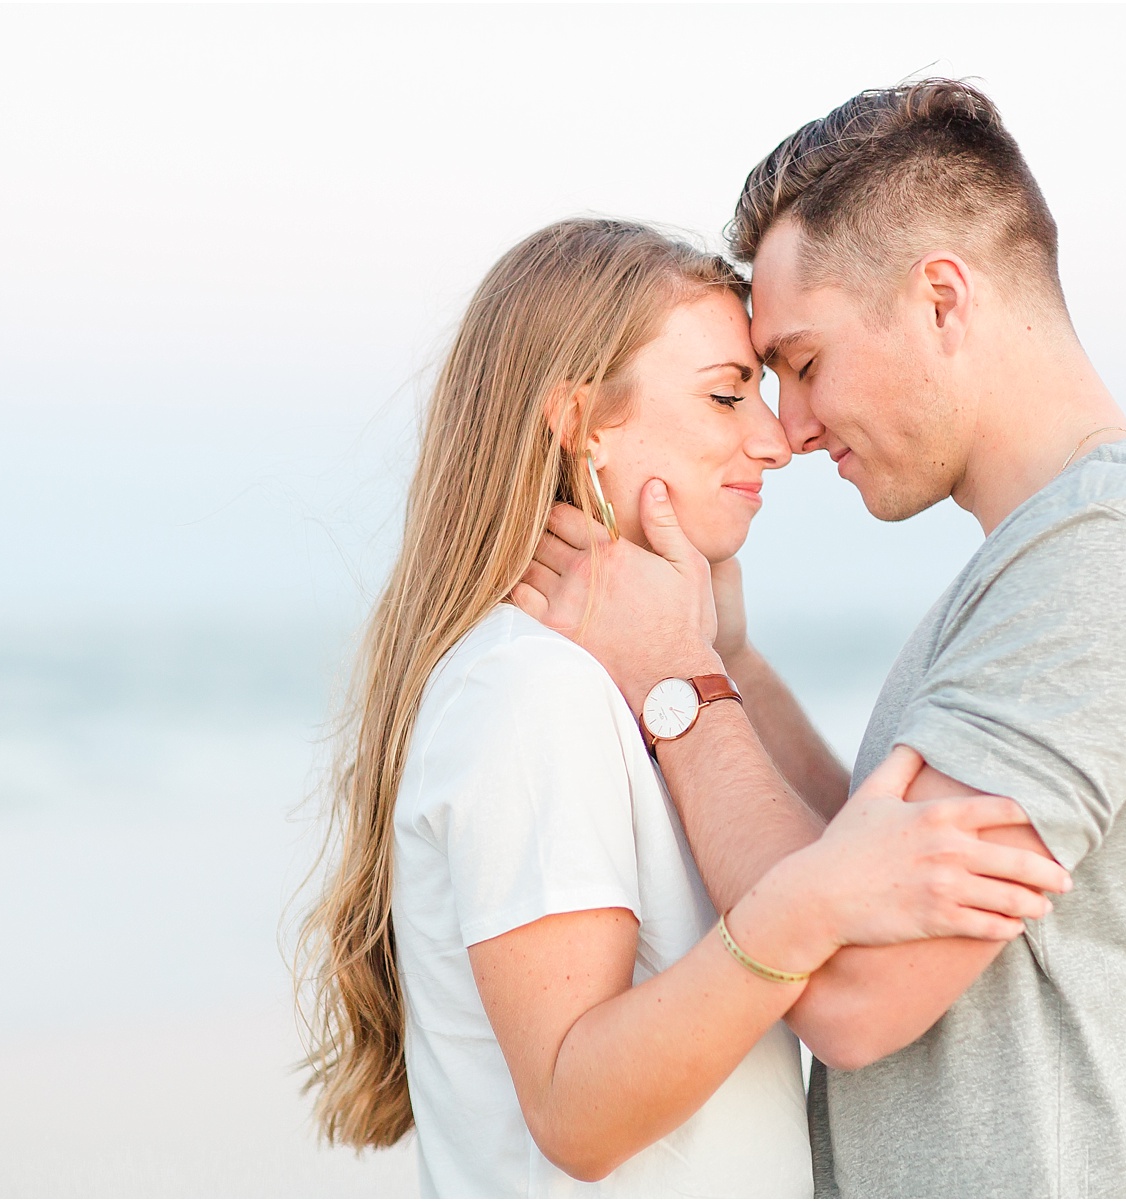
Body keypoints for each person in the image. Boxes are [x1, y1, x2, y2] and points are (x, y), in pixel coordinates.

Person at [515, 83, 1126, 1197]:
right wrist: (736, 668)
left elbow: (854, 991)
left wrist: (676, 677)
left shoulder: (1122, 547)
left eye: (804, 363)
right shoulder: (1047, 561)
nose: (791, 429)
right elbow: (845, 874)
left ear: (941, 298)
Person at [295, 217, 1072, 1198]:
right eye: (724, 394)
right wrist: (794, 913)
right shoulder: (532, 689)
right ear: (580, 420)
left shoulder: (626, 683)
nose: (776, 438)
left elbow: (835, 863)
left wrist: (719, 658)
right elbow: (576, 1111)